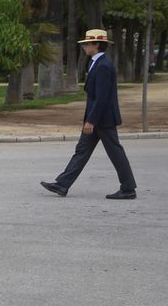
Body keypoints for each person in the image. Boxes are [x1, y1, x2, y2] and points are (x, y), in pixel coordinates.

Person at [42, 29, 137, 199]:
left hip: (103, 119)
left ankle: (128, 188)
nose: (84, 47)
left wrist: (91, 121)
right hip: (97, 117)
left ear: (96, 45)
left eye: (87, 44)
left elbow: (101, 98)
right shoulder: (96, 63)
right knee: (82, 151)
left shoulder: (103, 65)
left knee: (115, 152)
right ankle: (62, 184)